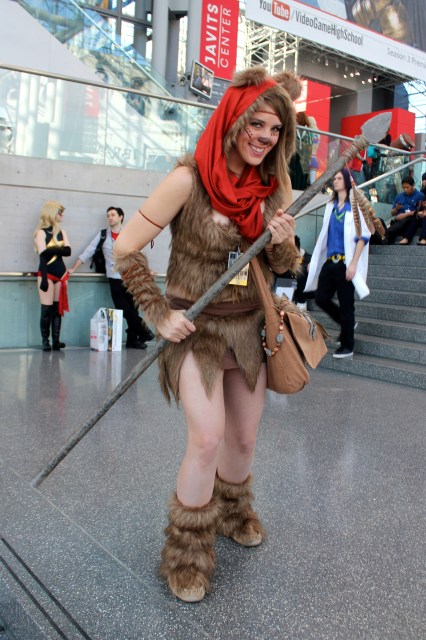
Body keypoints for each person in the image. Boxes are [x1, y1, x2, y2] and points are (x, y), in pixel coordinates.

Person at [113, 66, 300, 603]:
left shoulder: (271, 190)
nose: (264, 138)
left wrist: (282, 239)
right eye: (257, 125)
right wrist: (156, 312)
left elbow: (284, 265)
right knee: (207, 438)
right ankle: (186, 553)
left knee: (242, 440)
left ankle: (235, 512)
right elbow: (126, 249)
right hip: (194, 330)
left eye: (275, 131)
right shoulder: (187, 180)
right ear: (233, 120)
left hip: (248, 329)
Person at [305, 168, 371, 358]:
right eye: (334, 178)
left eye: (339, 178)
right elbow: (324, 235)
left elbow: (363, 236)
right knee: (320, 298)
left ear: (347, 182)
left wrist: (353, 265)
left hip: (345, 263)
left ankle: (348, 345)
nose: (335, 181)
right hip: (329, 262)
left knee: (347, 304)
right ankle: (345, 323)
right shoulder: (331, 205)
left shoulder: (355, 207)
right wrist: (315, 260)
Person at [68, 207, 154, 349]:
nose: (110, 217)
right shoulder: (103, 235)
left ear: (121, 217)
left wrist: (147, 270)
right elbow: (88, 251)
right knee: (124, 309)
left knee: (133, 309)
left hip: (132, 277)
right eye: (108, 215)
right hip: (114, 278)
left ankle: (133, 340)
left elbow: (139, 254)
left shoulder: (129, 234)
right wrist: (73, 268)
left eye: (113, 215)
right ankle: (144, 331)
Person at [34, 201, 71, 351]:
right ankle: (45, 341)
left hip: (61, 275)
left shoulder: (62, 232)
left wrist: (53, 249)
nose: (62, 216)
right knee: (46, 309)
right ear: (51, 213)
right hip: (46, 274)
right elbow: (43, 254)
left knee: (57, 309)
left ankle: (56, 340)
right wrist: (59, 249)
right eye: (60, 212)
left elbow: (68, 251)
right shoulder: (41, 232)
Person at [277, 235, 311, 310]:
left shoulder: (308, 259)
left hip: (303, 291)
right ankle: (284, 304)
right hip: (287, 286)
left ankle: (301, 304)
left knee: (301, 271)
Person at [386, 177, 424, 245]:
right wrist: (397, 208)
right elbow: (392, 213)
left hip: (411, 218)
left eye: (407, 187)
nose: (405, 189)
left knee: (408, 220)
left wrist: (406, 215)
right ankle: (387, 236)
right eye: (404, 188)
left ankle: (388, 233)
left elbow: (419, 212)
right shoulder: (399, 196)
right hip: (399, 220)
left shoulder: (420, 196)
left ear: (413, 185)